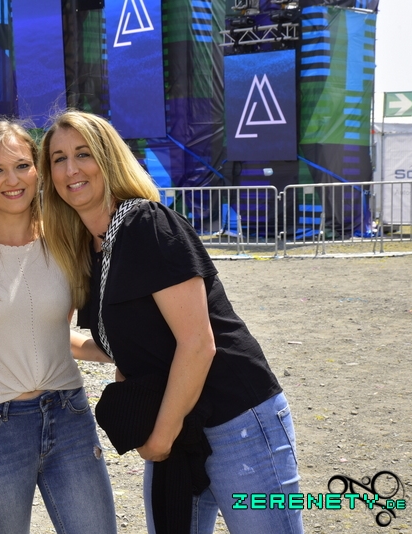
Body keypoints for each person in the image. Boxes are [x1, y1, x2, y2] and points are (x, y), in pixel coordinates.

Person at [39, 110, 303, 534]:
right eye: (59, 159)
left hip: (236, 421)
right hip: (177, 422)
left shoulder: (146, 223)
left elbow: (198, 342)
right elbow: (120, 345)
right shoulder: (90, 249)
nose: (71, 169)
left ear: (109, 159)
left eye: (83, 154)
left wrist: (159, 438)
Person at [0, 120, 118, 534]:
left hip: (69, 414)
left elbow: (48, 329)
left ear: (38, 171)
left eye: (22, 166)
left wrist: (107, 352)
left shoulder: (65, 239)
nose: (13, 180)